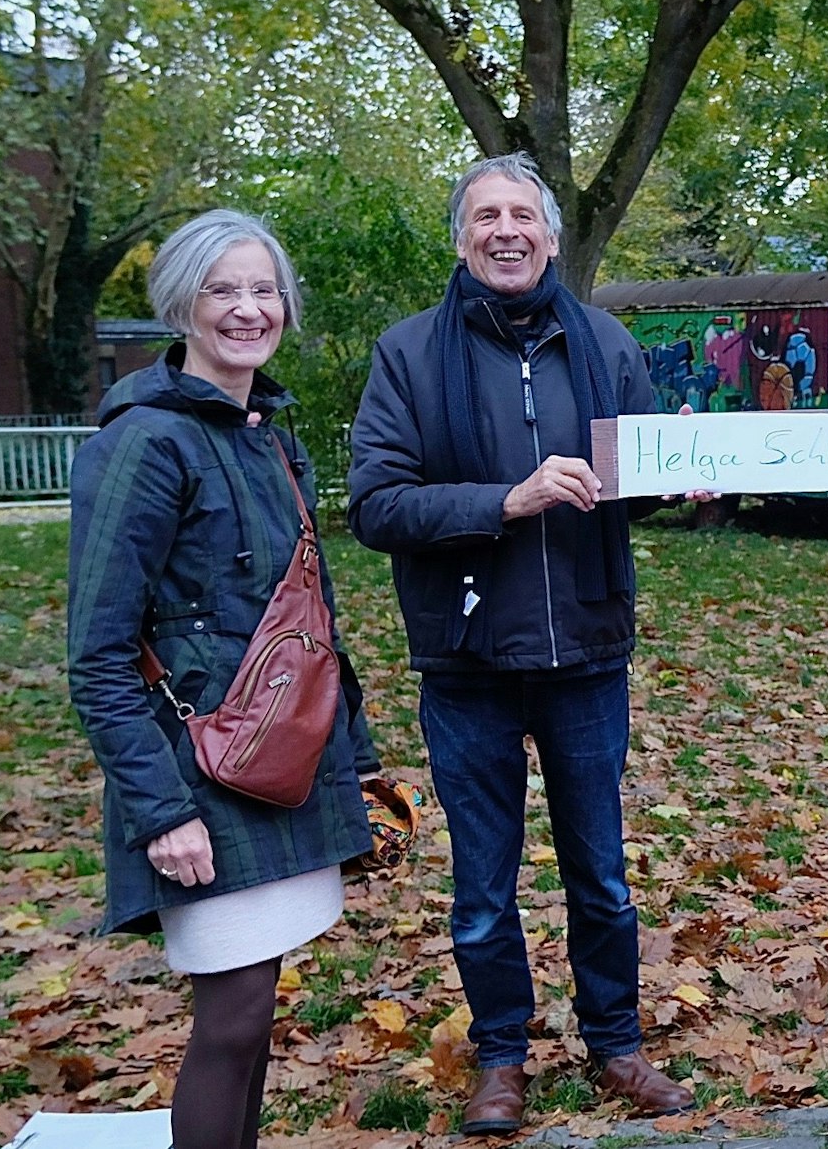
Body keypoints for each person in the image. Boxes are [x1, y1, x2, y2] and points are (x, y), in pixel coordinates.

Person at [347, 152, 691, 1130]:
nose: (506, 230)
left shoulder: (607, 342)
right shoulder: (409, 355)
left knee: (601, 873)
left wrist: (684, 474)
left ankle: (616, 1045)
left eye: (522, 215)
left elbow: (639, 475)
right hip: (468, 666)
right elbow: (376, 503)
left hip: (586, 655)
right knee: (485, 887)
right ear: (462, 238)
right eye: (485, 215)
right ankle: (501, 1057)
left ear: (548, 234)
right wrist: (508, 500)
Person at [66, 210, 378, 1149]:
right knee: (231, 1020)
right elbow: (97, 656)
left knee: (254, 1019)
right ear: (182, 305)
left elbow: (306, 620)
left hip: (281, 762)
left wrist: (353, 758)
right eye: (223, 290)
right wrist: (162, 811)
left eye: (264, 288)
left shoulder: (271, 436)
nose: (248, 309)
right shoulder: (143, 442)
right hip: (197, 774)